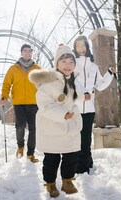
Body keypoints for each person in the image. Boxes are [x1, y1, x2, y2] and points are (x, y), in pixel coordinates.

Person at [29, 44, 85, 197]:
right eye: (64, 61)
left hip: (70, 123)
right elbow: (45, 104)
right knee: (52, 158)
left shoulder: (74, 80)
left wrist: (83, 95)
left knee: (71, 155)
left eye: (71, 62)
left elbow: (77, 97)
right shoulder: (48, 83)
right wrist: (62, 114)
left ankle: (67, 181)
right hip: (52, 125)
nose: (68, 65)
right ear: (57, 64)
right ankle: (51, 183)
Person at [72, 35, 115, 174]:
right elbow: (71, 82)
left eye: (83, 45)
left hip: (89, 108)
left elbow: (101, 85)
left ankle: (85, 165)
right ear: (75, 48)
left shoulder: (93, 67)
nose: (81, 48)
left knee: (86, 138)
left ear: (87, 47)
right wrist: (83, 92)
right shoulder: (72, 65)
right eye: (78, 46)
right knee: (77, 138)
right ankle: (83, 165)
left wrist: (109, 74)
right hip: (76, 107)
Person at [0, 44, 42, 163]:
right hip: (18, 103)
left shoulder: (37, 69)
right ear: (21, 52)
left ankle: (30, 154)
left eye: (29, 51)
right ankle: (20, 147)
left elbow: (43, 84)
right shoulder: (13, 69)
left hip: (33, 103)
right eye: (25, 51)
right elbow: (6, 84)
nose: (27, 53)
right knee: (20, 126)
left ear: (31, 53)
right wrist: (4, 97)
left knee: (33, 129)